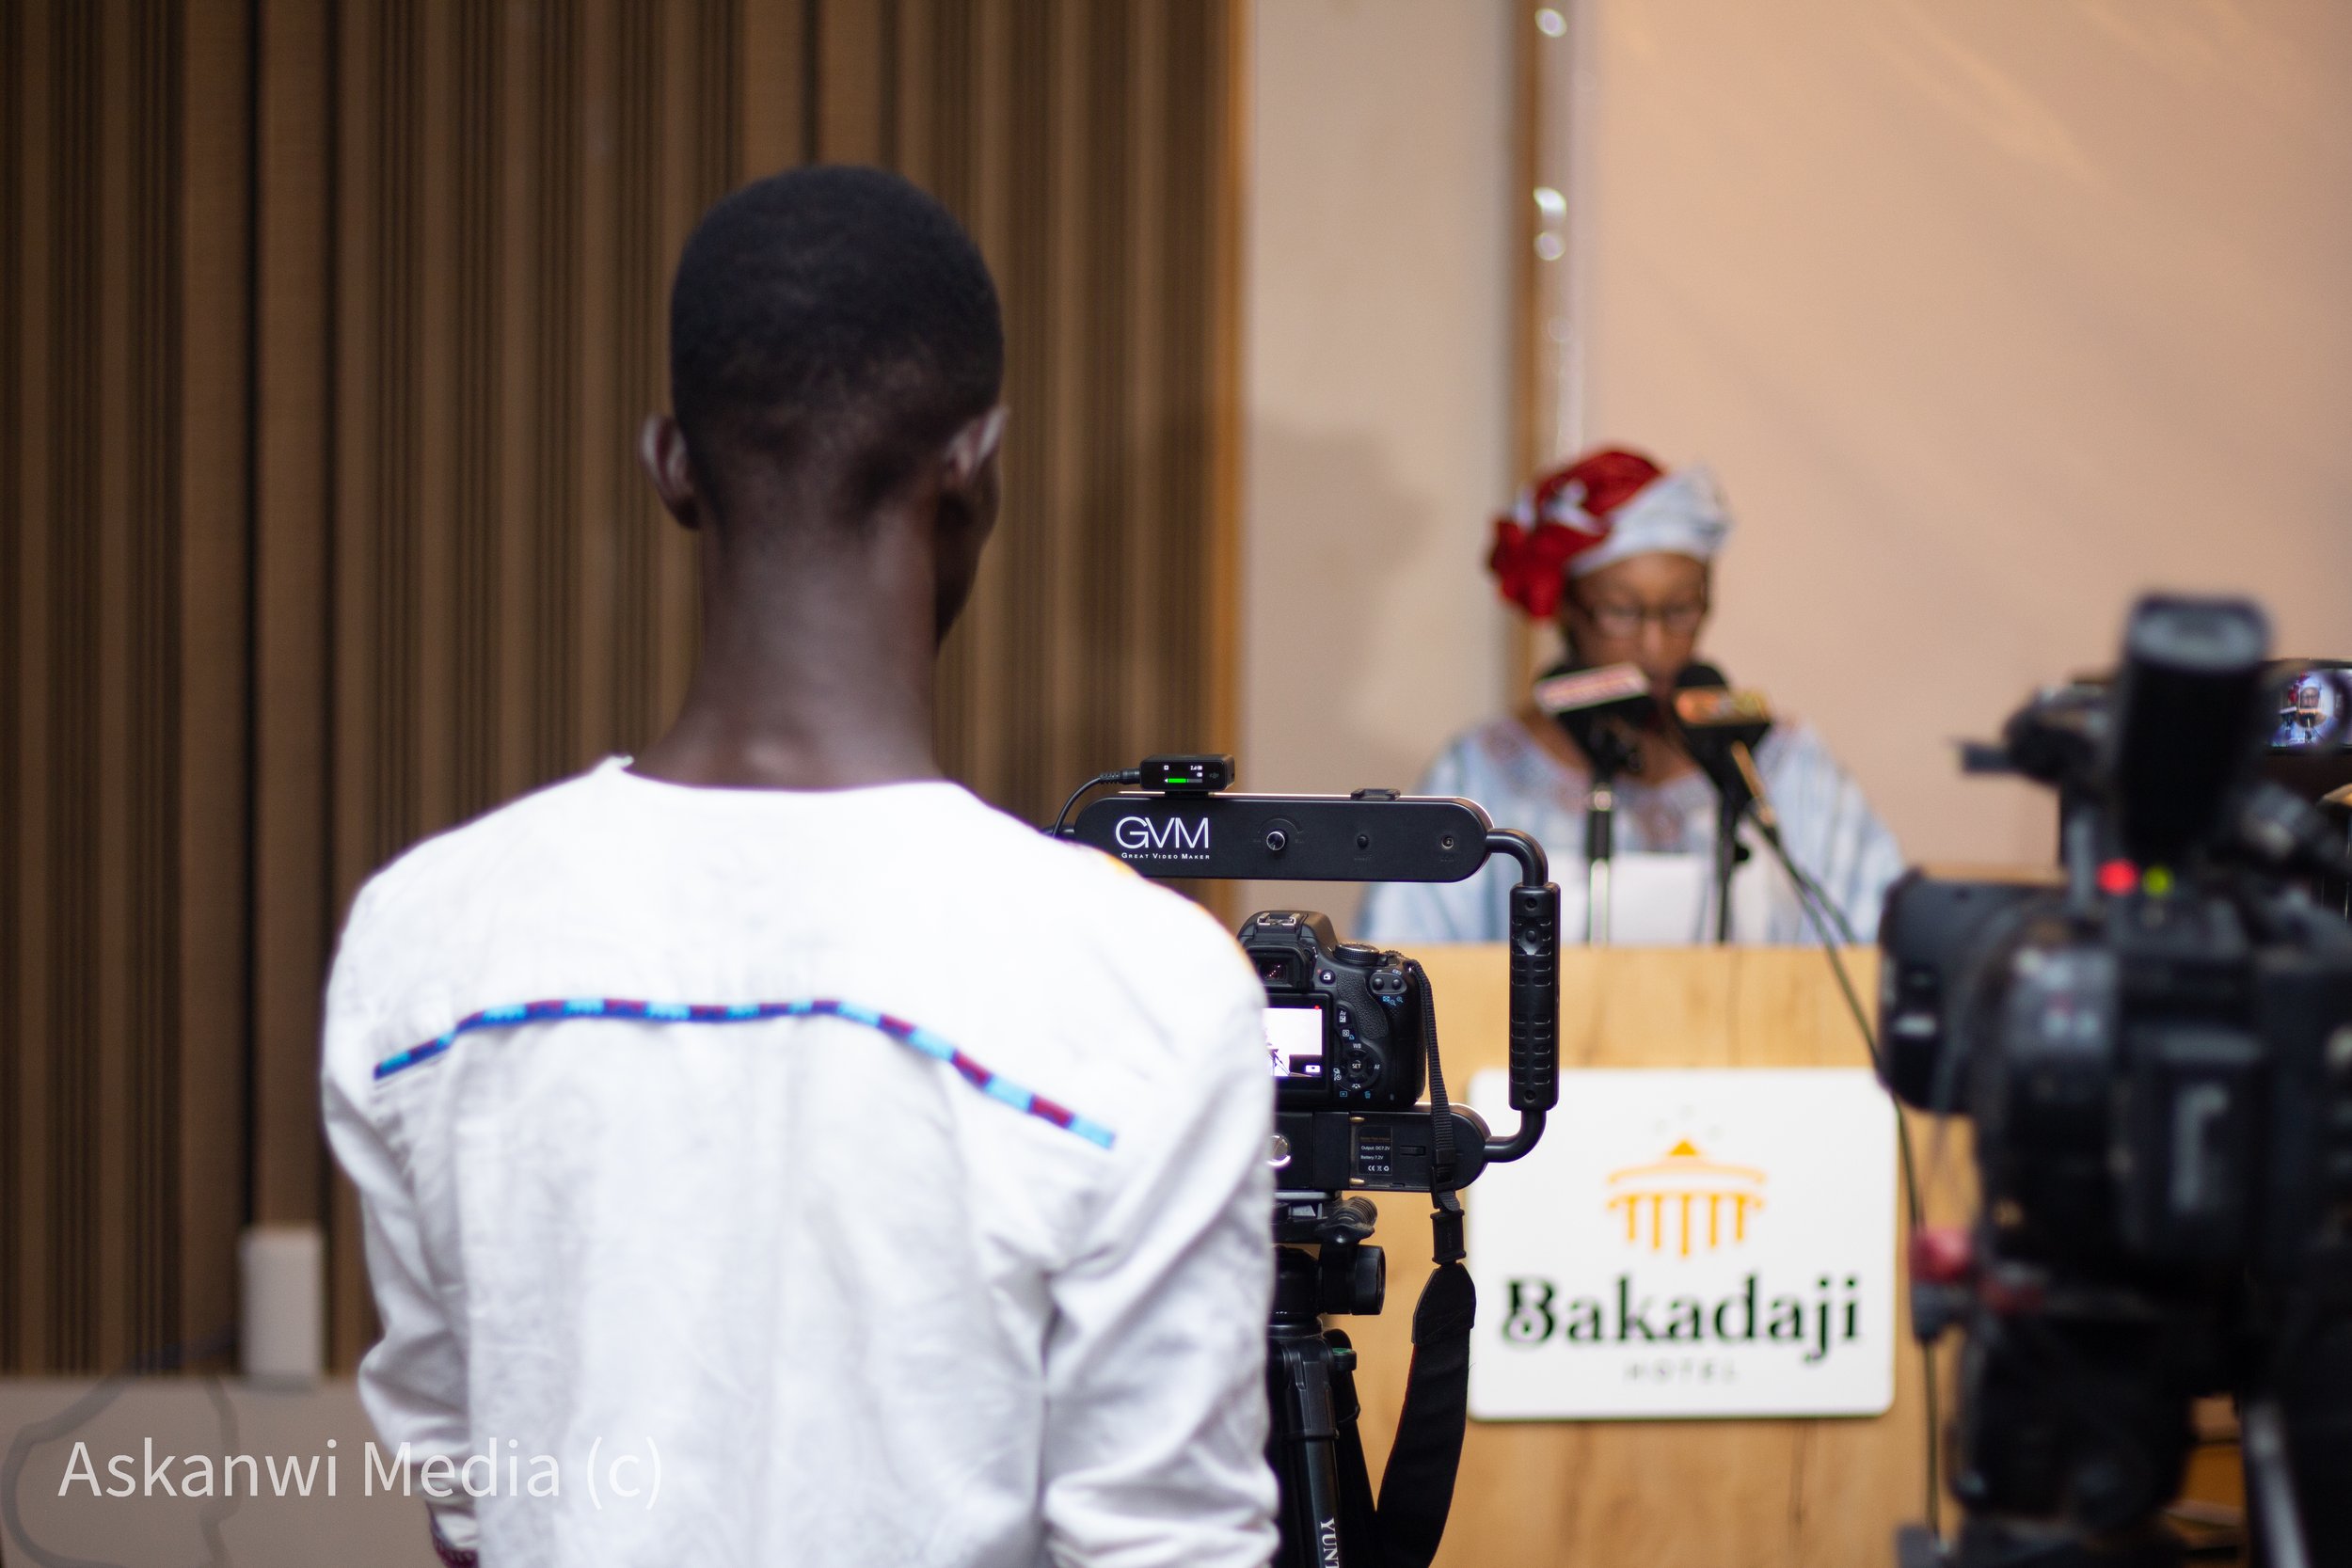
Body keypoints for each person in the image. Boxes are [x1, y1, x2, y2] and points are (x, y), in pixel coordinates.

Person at [321, 167, 1279, 1568]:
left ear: (670, 465)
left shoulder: (429, 943)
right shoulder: (1142, 984)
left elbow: (469, 1502)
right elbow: (1162, 1543)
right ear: (977, 459)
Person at [1359, 446, 1902, 946]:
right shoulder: (1480, 772)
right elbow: (1404, 957)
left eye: (1681, 610)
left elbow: (1879, 942)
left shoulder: (1778, 761)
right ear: (1569, 610)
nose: (1655, 645)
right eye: (1622, 612)